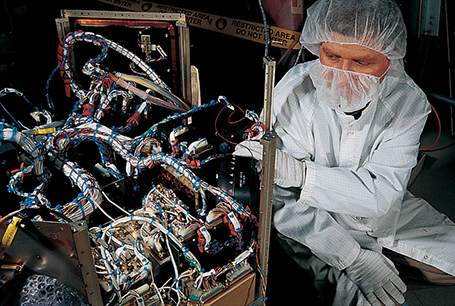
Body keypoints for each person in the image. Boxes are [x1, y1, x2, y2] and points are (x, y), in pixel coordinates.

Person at [234, 0, 455, 305]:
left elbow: (382, 191)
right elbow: (282, 202)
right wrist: (353, 258)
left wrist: (302, 174)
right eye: (332, 56)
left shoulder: (407, 101)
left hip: (385, 215)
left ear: (389, 59)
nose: (342, 74)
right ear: (318, 47)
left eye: (361, 63)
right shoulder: (295, 91)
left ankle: (395, 258)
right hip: (317, 229)